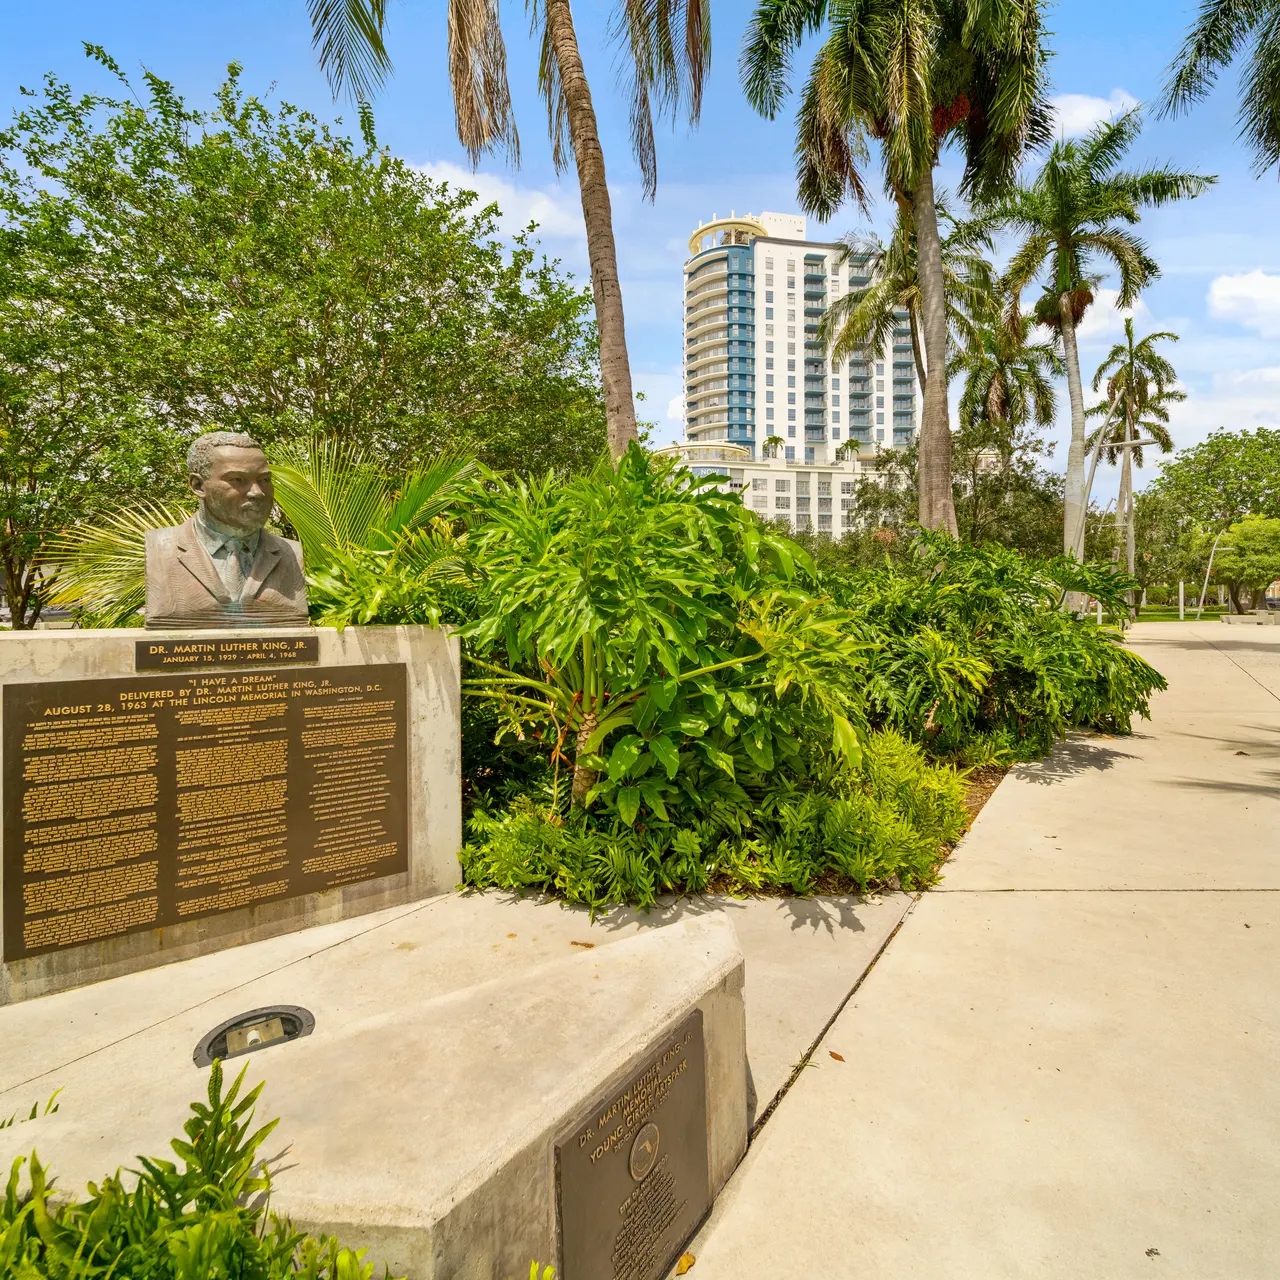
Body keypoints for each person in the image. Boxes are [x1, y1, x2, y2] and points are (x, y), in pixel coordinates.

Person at [144, 431, 309, 629]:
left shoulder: (289, 553)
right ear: (198, 485)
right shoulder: (162, 549)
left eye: (265, 480)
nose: (257, 492)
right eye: (238, 479)